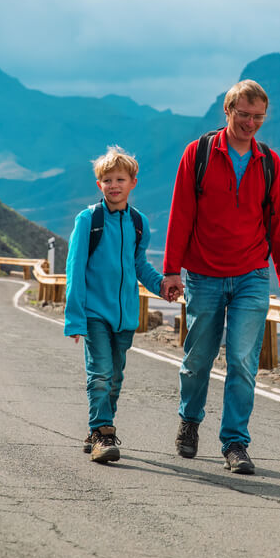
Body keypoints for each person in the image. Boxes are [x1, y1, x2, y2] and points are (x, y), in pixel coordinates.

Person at [161, 79, 280, 474]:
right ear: (228, 111)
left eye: (258, 117)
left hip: (252, 274)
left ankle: (235, 443)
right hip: (203, 274)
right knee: (198, 358)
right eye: (244, 115)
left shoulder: (268, 163)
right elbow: (181, 213)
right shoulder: (199, 153)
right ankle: (189, 421)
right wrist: (171, 270)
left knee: (242, 360)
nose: (251, 123)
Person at [64, 146, 166, 464]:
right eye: (107, 180)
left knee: (115, 378)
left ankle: (99, 425)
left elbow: (139, 265)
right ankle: (102, 433)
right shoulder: (88, 220)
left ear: (133, 182)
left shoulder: (138, 223)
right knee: (101, 373)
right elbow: (74, 270)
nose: (113, 185)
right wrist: (74, 319)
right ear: (99, 185)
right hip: (95, 312)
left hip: (125, 317)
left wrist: (162, 285)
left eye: (120, 179)